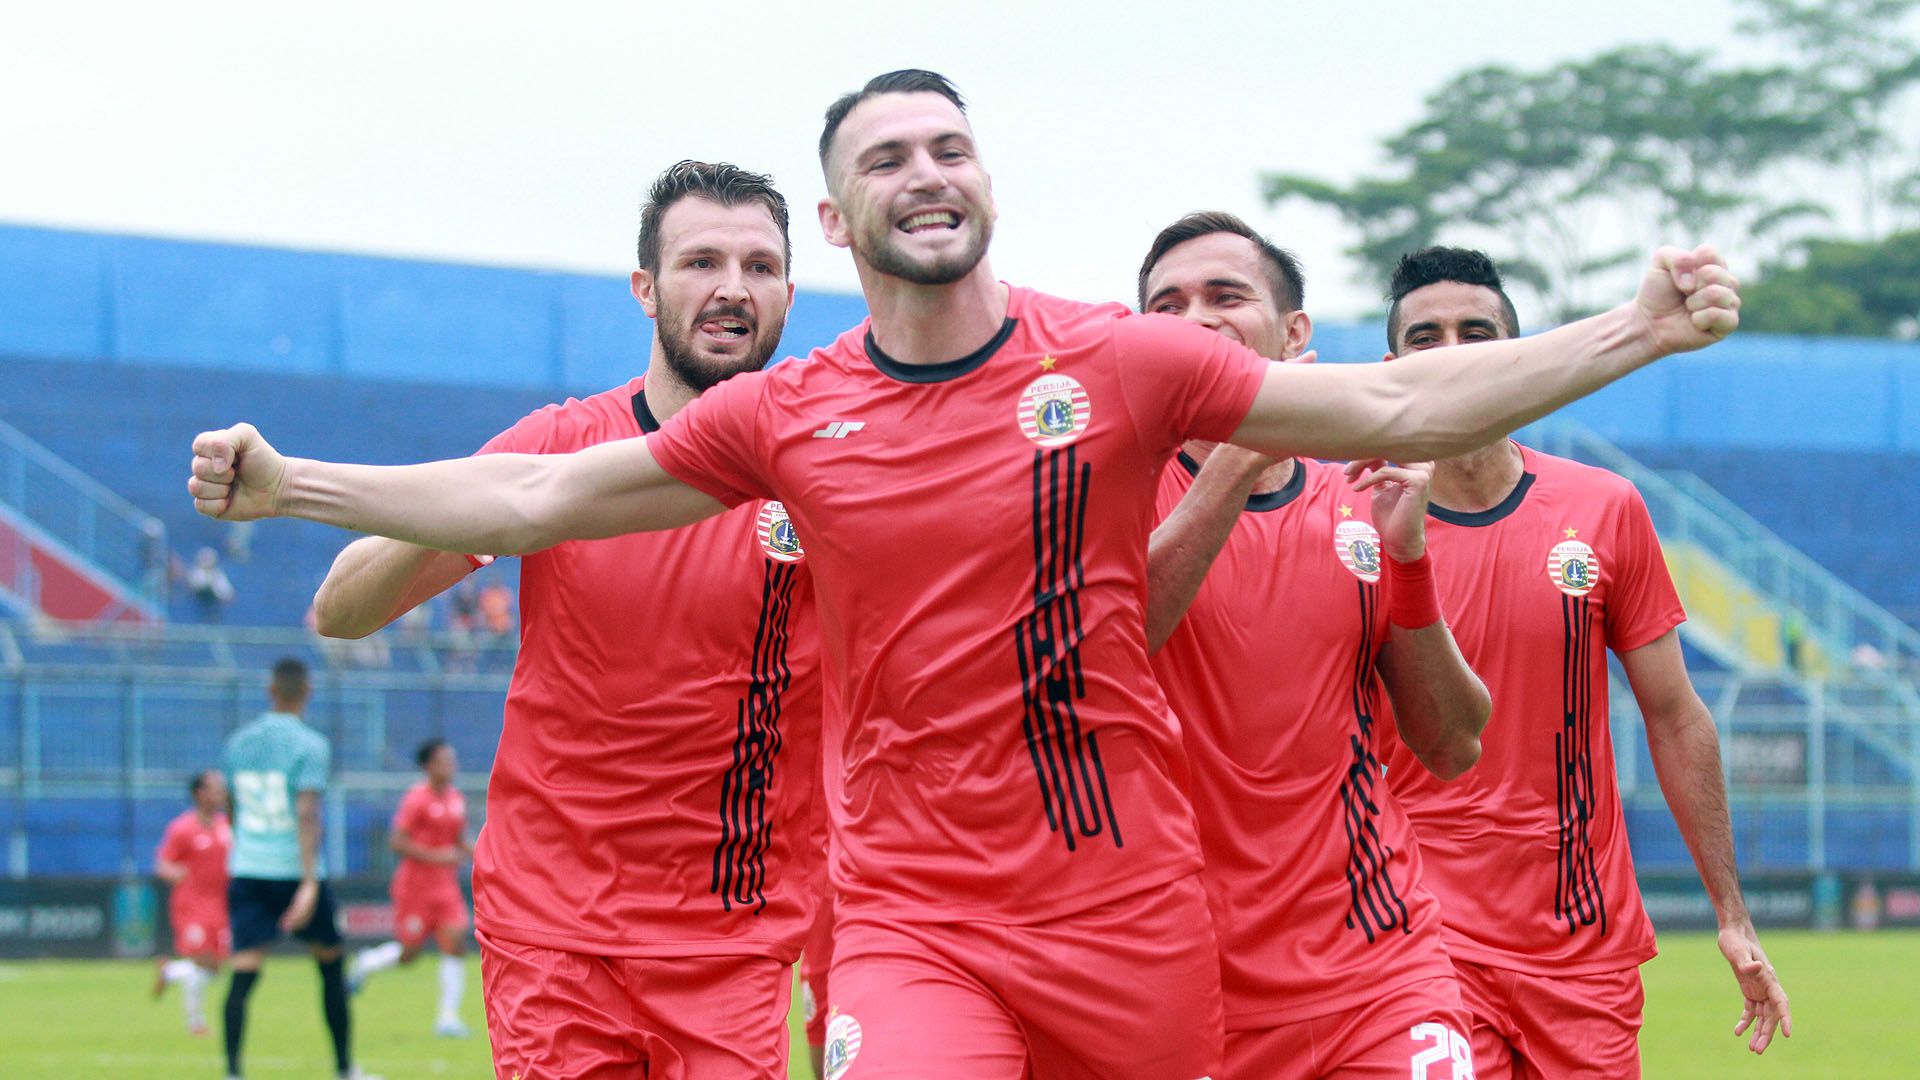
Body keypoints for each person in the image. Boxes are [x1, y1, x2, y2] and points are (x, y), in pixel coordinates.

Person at [189, 71, 1741, 1079]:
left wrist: (1635, 330)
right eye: (885, 157)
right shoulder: (792, 415)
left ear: (983, 179)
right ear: (839, 217)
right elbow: (535, 492)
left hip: (1123, 909)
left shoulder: (1120, 362)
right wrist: (296, 484)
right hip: (913, 914)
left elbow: (1395, 403)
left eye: (949, 145)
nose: (924, 172)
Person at [308, 161, 822, 1079]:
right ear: (645, 288)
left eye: (759, 264)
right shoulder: (558, 448)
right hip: (554, 931)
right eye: (701, 260)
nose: (732, 287)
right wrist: (466, 520)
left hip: (733, 932)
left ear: (789, 289)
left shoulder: (828, 469)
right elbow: (342, 610)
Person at [1377, 246, 1791, 1077]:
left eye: (1477, 333)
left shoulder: (1604, 508)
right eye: (1426, 338)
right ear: (1391, 368)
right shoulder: (1346, 516)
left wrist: (1731, 913)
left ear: (1524, 363)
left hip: (1580, 948)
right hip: (1415, 942)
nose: (1454, 355)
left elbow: (1675, 717)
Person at [1137, 212, 1490, 1078]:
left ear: (1295, 333)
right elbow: (1105, 645)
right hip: (1179, 984)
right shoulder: (1103, 491)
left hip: (1377, 965)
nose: (1195, 319)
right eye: (1166, 305)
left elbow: (1449, 745)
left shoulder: (1361, 497)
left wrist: (1407, 557)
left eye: (1226, 296)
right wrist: (1240, 453)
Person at [220, 657, 374, 1080]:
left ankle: (232, 1071)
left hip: (249, 868)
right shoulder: (311, 745)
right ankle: (344, 1068)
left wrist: (247, 848)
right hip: (295, 870)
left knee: (245, 970)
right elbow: (306, 812)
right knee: (329, 964)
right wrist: (308, 882)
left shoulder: (237, 743)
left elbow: (230, 808)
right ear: (307, 692)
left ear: (270, 691)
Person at [346, 738, 473, 1037]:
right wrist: (438, 856)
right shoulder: (416, 799)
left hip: (445, 887)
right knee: (409, 954)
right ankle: (366, 963)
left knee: (455, 942)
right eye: (445, 761)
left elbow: (458, 841)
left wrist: (479, 853)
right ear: (429, 766)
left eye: (453, 760)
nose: (451, 766)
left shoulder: (456, 799)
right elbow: (397, 841)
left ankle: (447, 1018)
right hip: (415, 888)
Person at [151, 768, 232, 1036]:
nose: (221, 792)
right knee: (201, 961)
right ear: (200, 794)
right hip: (192, 904)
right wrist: (175, 873)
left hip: (220, 903)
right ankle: (195, 1023)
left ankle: (170, 972)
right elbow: (162, 865)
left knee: (215, 968)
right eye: (215, 788)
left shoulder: (226, 825)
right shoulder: (182, 828)